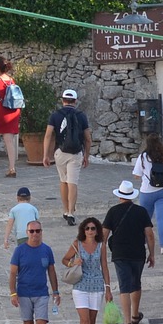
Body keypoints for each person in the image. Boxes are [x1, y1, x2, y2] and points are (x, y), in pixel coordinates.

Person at [104, 181, 158, 324]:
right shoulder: (141, 212)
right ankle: (135, 315)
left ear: (119, 195)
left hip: (120, 253)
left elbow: (104, 235)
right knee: (136, 282)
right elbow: (150, 234)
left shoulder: (113, 211)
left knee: (124, 287)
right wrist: (152, 254)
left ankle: (127, 322)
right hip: (138, 253)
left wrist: (100, 253)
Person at [63, 217, 113, 324]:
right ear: (83, 230)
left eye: (93, 228)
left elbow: (104, 266)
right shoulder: (77, 244)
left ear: (97, 230)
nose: (90, 231)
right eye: (87, 228)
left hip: (97, 285)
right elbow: (64, 259)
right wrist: (73, 263)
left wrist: (108, 288)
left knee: (91, 321)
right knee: (84, 320)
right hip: (81, 285)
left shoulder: (101, 246)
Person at [10, 218, 59, 324]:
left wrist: (55, 291)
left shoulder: (46, 250)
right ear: (27, 233)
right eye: (32, 231)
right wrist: (13, 293)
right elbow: (13, 273)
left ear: (41, 232)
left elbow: (51, 271)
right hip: (24, 293)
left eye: (38, 231)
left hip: (41, 293)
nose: (35, 234)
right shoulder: (19, 251)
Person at [44, 90, 91, 226]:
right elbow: (88, 139)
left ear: (62, 100)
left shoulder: (55, 115)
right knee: (73, 182)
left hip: (60, 152)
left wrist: (45, 155)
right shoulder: (81, 116)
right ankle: (71, 212)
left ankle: (65, 210)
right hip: (76, 153)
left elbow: (48, 135)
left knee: (63, 181)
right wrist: (86, 156)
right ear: (75, 101)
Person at [131, 135, 163, 252]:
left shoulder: (143, 157)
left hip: (147, 192)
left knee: (145, 219)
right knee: (162, 218)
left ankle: (143, 243)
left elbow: (136, 175)